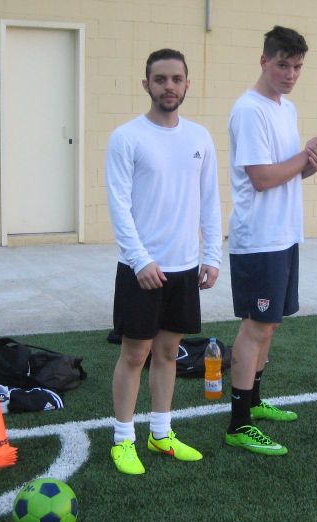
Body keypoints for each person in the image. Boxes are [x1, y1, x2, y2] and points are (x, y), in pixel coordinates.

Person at [105, 49, 222, 474]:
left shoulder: (199, 138)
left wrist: (211, 255)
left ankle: (161, 433)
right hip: (141, 269)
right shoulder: (127, 137)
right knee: (135, 355)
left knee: (169, 353)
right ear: (147, 85)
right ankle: (123, 440)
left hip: (184, 267)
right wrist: (140, 261)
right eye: (160, 79)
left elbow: (209, 200)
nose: (168, 86)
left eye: (176, 79)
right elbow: (119, 206)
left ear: (187, 84)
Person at [224, 26, 317, 455]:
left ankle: (254, 401)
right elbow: (261, 177)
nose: (290, 74)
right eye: (283, 65)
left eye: (297, 67)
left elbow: (285, 172)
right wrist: (303, 155)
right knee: (255, 326)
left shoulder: (285, 109)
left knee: (269, 325)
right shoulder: (249, 110)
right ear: (264, 61)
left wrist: (311, 163)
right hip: (259, 238)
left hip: (284, 233)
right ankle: (239, 423)